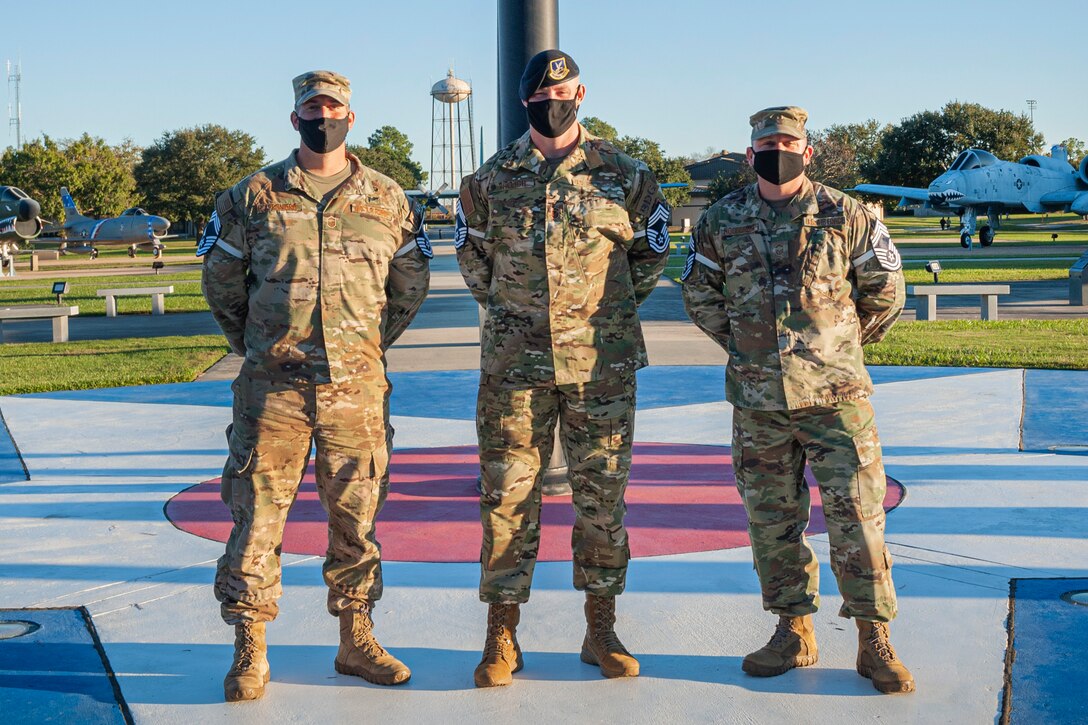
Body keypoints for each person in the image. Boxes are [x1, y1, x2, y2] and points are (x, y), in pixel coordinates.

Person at [199, 70, 431, 701]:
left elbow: (409, 288)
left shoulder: (388, 199)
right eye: (310, 106)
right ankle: (250, 648)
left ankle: (356, 639)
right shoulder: (251, 196)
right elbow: (222, 285)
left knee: (358, 519)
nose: (321, 115)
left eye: (332, 107)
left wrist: (366, 347)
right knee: (257, 521)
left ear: (350, 117)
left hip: (356, 393)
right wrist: (256, 345)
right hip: (273, 392)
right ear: (294, 116)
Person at [455, 49, 670, 687]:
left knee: (602, 501)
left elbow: (649, 259)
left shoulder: (627, 176)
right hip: (514, 370)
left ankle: (600, 629)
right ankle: (501, 637)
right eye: (539, 100)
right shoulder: (488, 180)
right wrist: (521, 317)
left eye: (565, 92)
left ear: (582, 93)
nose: (553, 105)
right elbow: (476, 266)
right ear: (525, 105)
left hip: (601, 368)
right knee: (506, 500)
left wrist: (595, 318)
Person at [681, 106, 914, 694]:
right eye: (767, 142)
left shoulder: (848, 214)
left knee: (858, 518)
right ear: (751, 149)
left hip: (837, 399)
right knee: (772, 521)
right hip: (759, 402)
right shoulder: (721, 219)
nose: (776, 149)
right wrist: (747, 348)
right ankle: (793, 630)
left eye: (788, 141)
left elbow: (886, 293)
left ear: (807, 151)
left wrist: (835, 347)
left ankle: (873, 639)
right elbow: (701, 294)